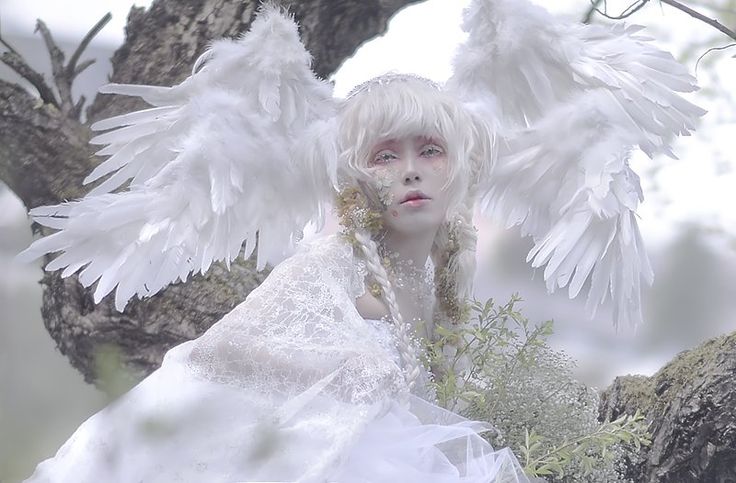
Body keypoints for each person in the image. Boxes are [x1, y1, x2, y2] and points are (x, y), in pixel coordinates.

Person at [20, 1, 703, 481]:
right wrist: (347, 370)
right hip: (295, 448)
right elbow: (224, 349)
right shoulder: (338, 262)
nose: (408, 169)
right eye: (385, 155)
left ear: (459, 166)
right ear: (356, 173)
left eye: (429, 150)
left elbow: (436, 372)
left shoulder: (442, 271)